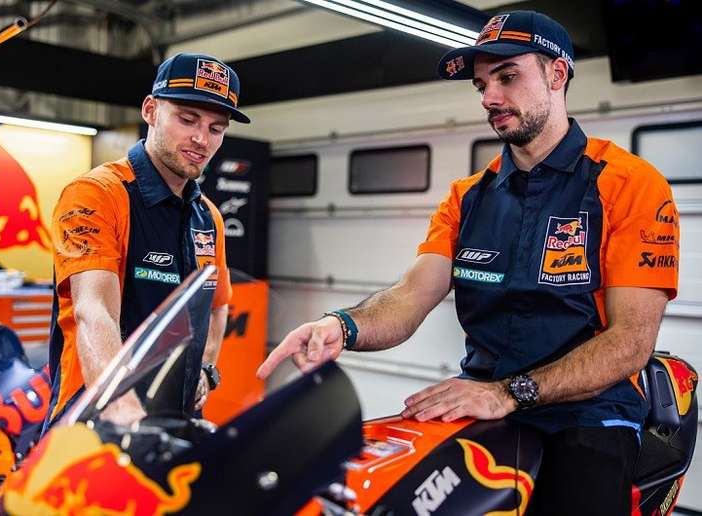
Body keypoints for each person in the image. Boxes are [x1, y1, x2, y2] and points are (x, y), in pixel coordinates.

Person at [257, 11, 679, 515]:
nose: (489, 98)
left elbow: (631, 342)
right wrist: (340, 326)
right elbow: (410, 296)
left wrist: (509, 394)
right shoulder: (467, 197)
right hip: (483, 403)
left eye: (507, 77)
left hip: (588, 415)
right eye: (482, 85)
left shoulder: (630, 184)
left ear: (557, 74)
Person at [43, 53, 250, 432]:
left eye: (216, 128)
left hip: (173, 422)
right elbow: (94, 311)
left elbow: (216, 305)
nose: (201, 139)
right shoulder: (96, 194)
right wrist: (121, 410)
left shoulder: (208, 217)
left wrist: (206, 368)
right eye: (187, 119)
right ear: (150, 110)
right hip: (97, 418)